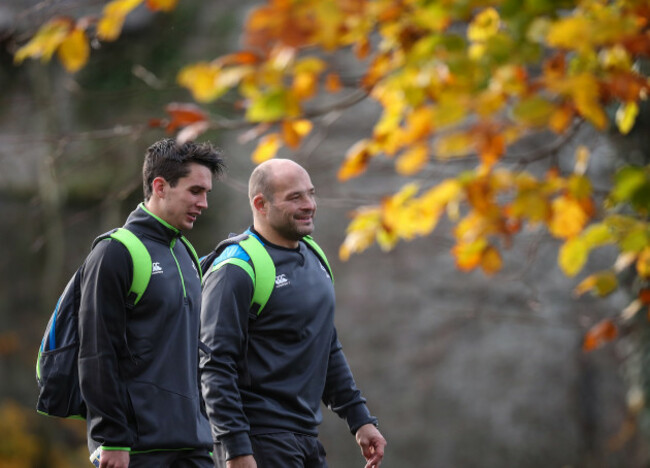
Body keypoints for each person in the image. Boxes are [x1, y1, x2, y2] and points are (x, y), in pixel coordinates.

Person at [200, 158, 386, 468]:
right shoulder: (235, 269)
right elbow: (214, 366)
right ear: (261, 204)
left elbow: (325, 345)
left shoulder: (315, 256)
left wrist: (360, 419)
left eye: (311, 194)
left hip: (306, 438)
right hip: (257, 441)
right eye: (295, 197)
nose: (310, 205)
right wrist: (235, 449)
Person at [78, 138, 225, 468]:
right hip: (137, 450)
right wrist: (111, 438)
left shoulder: (186, 253)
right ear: (160, 186)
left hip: (195, 446)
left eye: (206, 193)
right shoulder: (114, 252)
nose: (203, 203)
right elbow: (96, 352)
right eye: (195, 191)